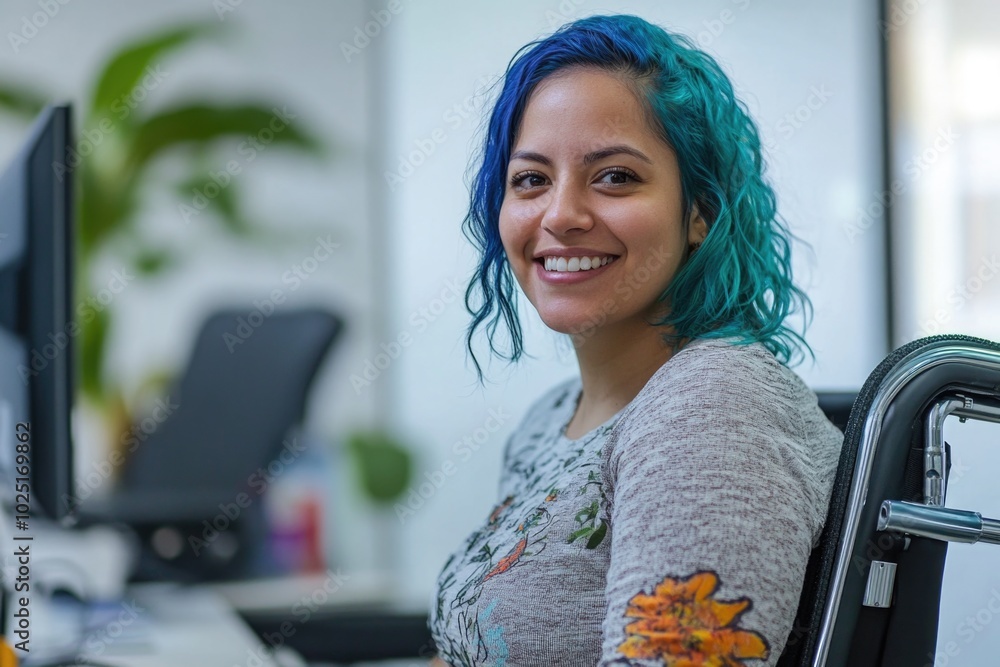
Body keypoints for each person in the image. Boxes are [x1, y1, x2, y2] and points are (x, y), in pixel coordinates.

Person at [428, 14, 843, 667]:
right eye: (531, 179)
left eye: (615, 176)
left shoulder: (712, 406)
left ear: (700, 211)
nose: (560, 214)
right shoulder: (550, 419)